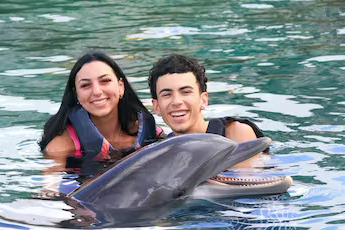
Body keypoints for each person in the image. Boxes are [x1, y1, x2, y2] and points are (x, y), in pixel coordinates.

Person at [38, 50, 162, 195]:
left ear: (120, 86)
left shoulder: (151, 133)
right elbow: (49, 190)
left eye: (105, 81)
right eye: (85, 85)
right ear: (76, 94)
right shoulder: (62, 144)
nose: (96, 91)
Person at [148, 54, 267, 167]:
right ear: (156, 106)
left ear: (203, 100)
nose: (176, 101)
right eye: (166, 94)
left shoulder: (234, 135)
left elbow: (249, 184)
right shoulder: (160, 153)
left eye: (186, 92)